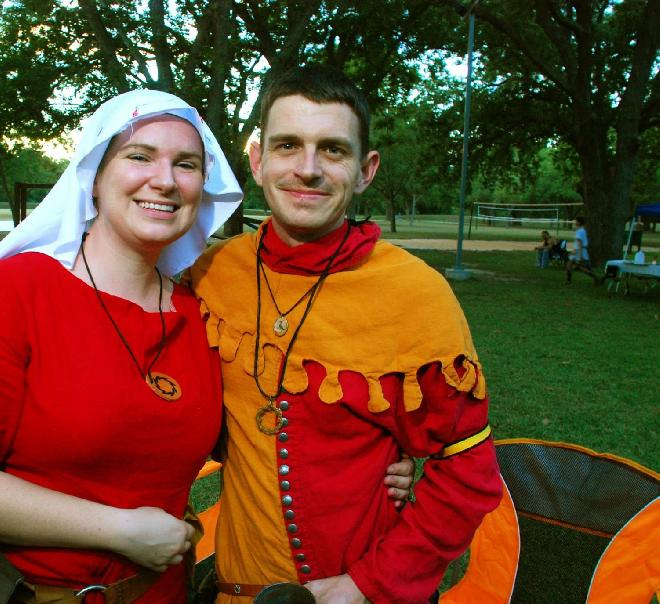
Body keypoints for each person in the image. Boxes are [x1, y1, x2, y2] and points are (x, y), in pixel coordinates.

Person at [0, 90, 412, 603]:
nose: (164, 180)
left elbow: (255, 427)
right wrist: (116, 530)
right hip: (33, 593)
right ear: (95, 177)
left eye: (185, 164)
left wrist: (370, 462)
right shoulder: (19, 291)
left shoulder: (202, 312)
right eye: (139, 156)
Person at [188, 65, 503, 603]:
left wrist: (366, 585)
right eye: (288, 145)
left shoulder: (416, 293)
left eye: (333, 150)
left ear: (365, 170)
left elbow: (469, 475)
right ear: (259, 160)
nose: (307, 169)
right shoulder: (211, 272)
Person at [566, 216, 599, 284]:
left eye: (576, 221)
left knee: (584, 269)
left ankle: (596, 278)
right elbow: (577, 244)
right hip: (577, 251)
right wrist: (573, 251)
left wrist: (580, 256)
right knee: (569, 265)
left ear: (579, 222)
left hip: (580, 252)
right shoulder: (580, 230)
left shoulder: (580, 231)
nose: (575, 222)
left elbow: (580, 244)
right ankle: (568, 281)